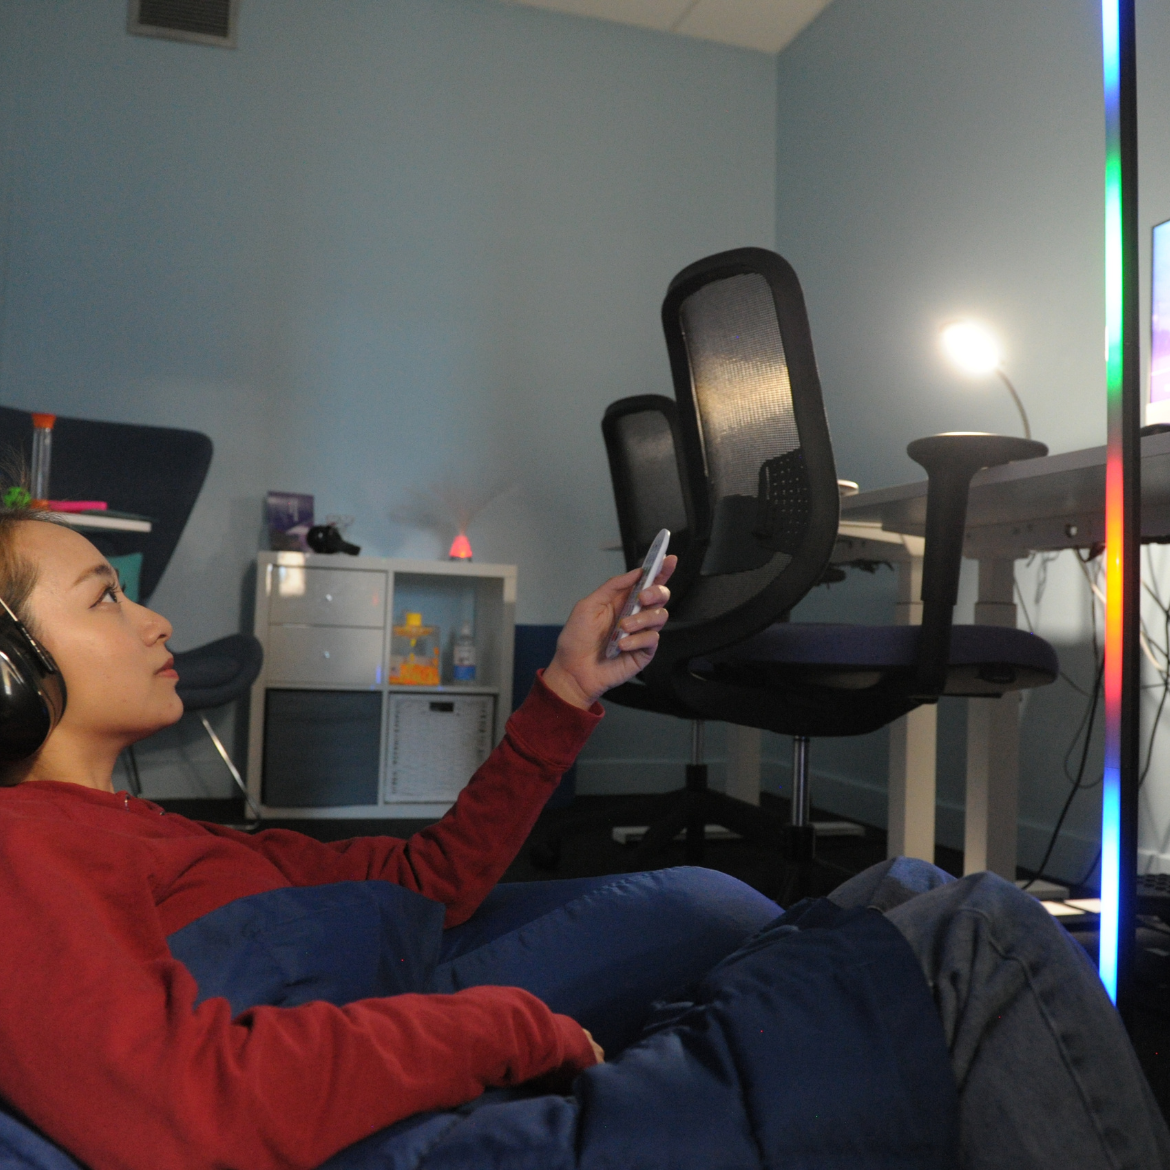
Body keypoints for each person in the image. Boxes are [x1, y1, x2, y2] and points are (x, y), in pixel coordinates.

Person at [0, 510, 1165, 1170]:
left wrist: (566, 686)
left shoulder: (148, 831)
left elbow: (426, 879)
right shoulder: (22, 846)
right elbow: (182, 1103)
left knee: (907, 886)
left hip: (389, 982)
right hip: (392, 1049)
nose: (153, 617)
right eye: (105, 597)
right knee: (973, 929)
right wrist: (504, 1027)